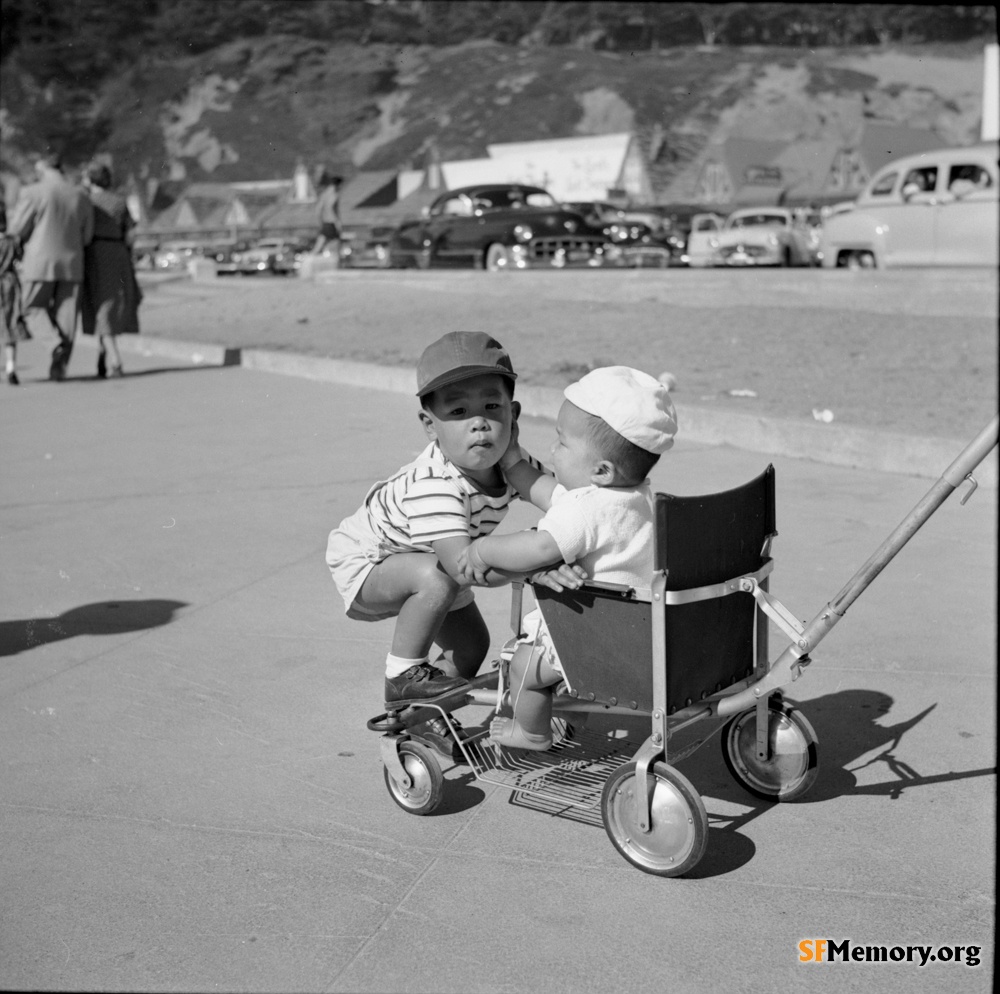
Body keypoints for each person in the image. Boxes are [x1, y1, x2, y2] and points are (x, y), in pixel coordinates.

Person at [326, 332, 576, 713]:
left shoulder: (510, 462)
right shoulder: (435, 484)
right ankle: (402, 676)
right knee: (437, 576)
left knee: (471, 645)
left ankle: (423, 718)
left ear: (514, 414)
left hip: (433, 557)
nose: (479, 423)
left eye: (493, 407)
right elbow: (463, 568)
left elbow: (560, 502)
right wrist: (534, 562)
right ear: (430, 426)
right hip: (369, 563)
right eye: (458, 413)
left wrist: (589, 515)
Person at [456, 366, 678, 751]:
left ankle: (531, 732)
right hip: (637, 635)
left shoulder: (584, 511)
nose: (553, 450)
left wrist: (482, 548)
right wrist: (512, 464)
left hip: (594, 642)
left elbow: (541, 548)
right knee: (554, 660)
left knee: (524, 665)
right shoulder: (633, 497)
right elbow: (547, 493)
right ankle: (571, 715)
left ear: (602, 470)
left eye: (562, 442)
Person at [9, 150, 94, 381]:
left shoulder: (32, 192)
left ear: (42, 167)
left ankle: (54, 345)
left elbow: (17, 230)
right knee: (67, 315)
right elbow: (87, 236)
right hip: (73, 262)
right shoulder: (80, 194)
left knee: (31, 307)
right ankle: (61, 363)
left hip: (39, 262)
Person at [80, 161, 142, 378]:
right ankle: (103, 354)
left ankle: (115, 360)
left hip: (96, 253)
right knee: (111, 301)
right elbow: (130, 234)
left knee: (101, 304)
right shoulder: (119, 201)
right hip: (119, 253)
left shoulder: (88, 202)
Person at [1, 195, 31, 385]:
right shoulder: (12, 241)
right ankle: (11, 366)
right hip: (9, 284)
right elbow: (20, 260)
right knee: (10, 322)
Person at [312, 170, 343, 257]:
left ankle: (309, 261)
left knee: (319, 245)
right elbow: (331, 207)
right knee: (336, 244)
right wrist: (337, 222)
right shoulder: (334, 194)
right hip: (331, 223)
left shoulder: (324, 193)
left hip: (325, 223)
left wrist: (319, 221)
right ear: (338, 184)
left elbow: (318, 209)